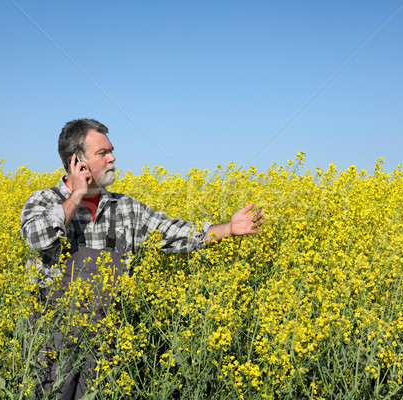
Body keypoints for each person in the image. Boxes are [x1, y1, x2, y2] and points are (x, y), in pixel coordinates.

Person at [20, 118, 264, 399]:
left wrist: (227, 229)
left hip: (104, 343)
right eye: (103, 153)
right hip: (54, 343)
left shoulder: (125, 208)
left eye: (111, 150)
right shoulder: (43, 201)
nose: (113, 158)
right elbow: (37, 237)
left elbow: (173, 232)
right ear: (78, 162)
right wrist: (76, 195)